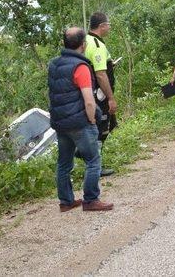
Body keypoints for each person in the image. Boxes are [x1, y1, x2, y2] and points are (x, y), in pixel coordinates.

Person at [48, 27, 113, 212]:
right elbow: (89, 99)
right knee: (93, 160)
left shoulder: (53, 64)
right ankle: (91, 199)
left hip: (61, 123)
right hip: (79, 122)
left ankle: (66, 202)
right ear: (83, 45)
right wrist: (92, 119)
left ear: (64, 44)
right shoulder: (81, 67)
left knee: (64, 163)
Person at [85, 12, 117, 177]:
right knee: (100, 128)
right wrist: (111, 98)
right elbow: (100, 74)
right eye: (108, 24)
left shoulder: (86, 40)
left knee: (98, 126)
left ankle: (93, 163)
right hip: (99, 96)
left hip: (91, 93)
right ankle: (95, 167)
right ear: (102, 26)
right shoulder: (96, 45)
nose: (109, 27)